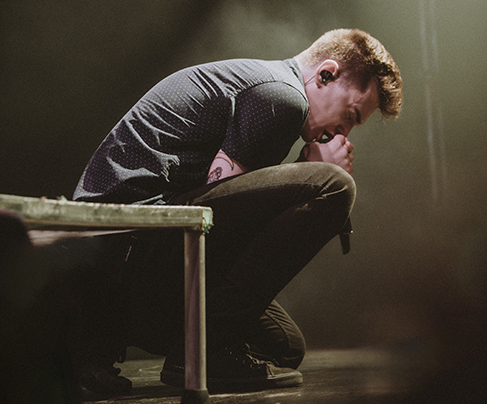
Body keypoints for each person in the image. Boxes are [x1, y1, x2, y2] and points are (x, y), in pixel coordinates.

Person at [69, 28, 403, 396]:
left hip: (143, 248)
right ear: (326, 74)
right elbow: (220, 218)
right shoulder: (283, 96)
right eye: (352, 115)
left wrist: (301, 165)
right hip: (124, 250)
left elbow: (225, 213)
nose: (345, 131)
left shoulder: (271, 88)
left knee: (283, 345)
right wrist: (311, 169)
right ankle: (201, 354)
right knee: (333, 186)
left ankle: (194, 346)